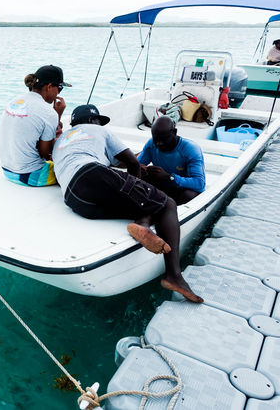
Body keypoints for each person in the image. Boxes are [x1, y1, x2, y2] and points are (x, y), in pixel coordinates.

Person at [52, 104, 203, 303]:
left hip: (74, 198)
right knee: (166, 204)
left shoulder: (60, 141)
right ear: (92, 121)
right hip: (92, 173)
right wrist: (139, 188)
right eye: (99, 120)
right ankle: (173, 276)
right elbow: (132, 163)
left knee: (142, 202)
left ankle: (142, 224)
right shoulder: (99, 130)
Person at [0, 65, 70, 186]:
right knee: (74, 166)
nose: (58, 92)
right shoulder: (48, 113)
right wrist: (57, 116)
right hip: (31, 176)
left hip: (7, 171)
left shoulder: (15, 101)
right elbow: (45, 154)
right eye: (59, 88)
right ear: (49, 87)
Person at [138, 116, 205, 205]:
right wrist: (142, 169)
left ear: (174, 132)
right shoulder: (151, 144)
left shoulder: (191, 149)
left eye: (163, 139)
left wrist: (169, 177)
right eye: (156, 139)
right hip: (162, 186)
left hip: (180, 190)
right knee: (138, 177)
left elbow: (199, 184)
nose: (159, 144)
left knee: (189, 195)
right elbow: (136, 165)